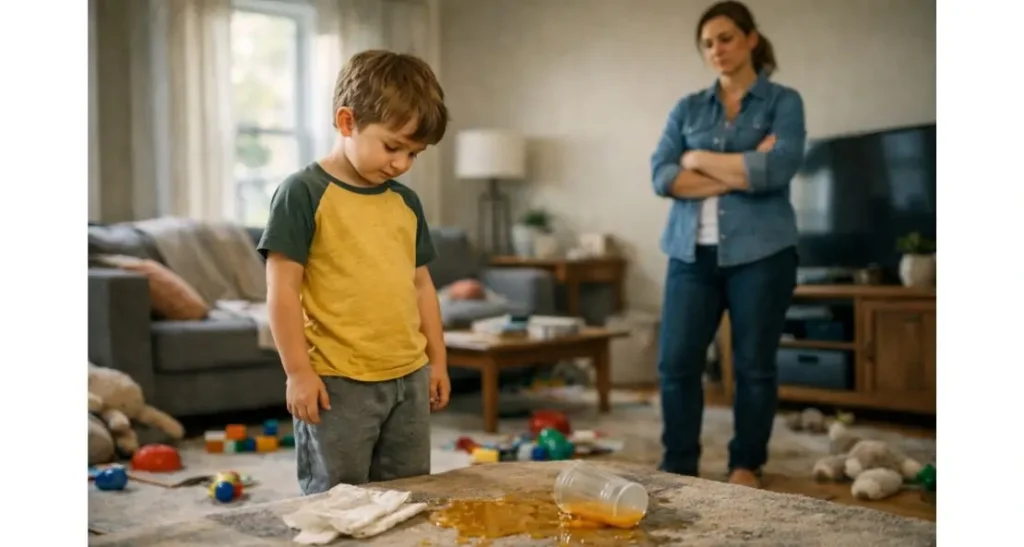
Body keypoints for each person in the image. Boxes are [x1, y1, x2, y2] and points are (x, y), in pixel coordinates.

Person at [258, 49, 451, 495]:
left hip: (408, 377)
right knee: (337, 500)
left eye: (414, 154)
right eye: (393, 146)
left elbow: (422, 285)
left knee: (408, 495)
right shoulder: (302, 193)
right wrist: (298, 373)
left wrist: (437, 361)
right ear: (347, 123)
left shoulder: (406, 203)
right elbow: (283, 290)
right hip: (338, 384)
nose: (402, 164)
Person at [649, 0, 807, 488]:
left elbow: (778, 168)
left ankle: (746, 464)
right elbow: (662, 176)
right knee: (676, 364)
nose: (716, 49)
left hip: (763, 254)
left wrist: (698, 161)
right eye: (707, 43)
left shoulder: (783, 102)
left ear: (750, 39)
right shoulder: (688, 107)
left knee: (754, 365)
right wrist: (741, 170)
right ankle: (679, 465)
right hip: (689, 254)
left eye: (725, 38)